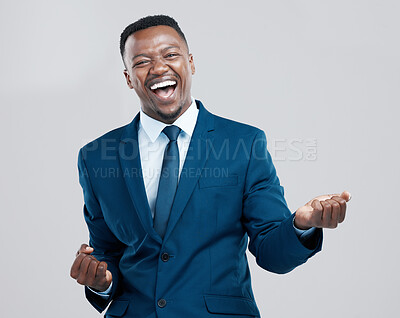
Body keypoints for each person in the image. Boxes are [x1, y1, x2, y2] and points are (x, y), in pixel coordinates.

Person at [70, 15, 351, 318]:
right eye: (142, 62)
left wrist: (301, 224)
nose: (159, 68)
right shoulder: (97, 157)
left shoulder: (244, 144)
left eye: (170, 55)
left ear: (190, 63)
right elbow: (107, 251)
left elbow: (272, 253)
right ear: (128, 78)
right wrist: (101, 280)